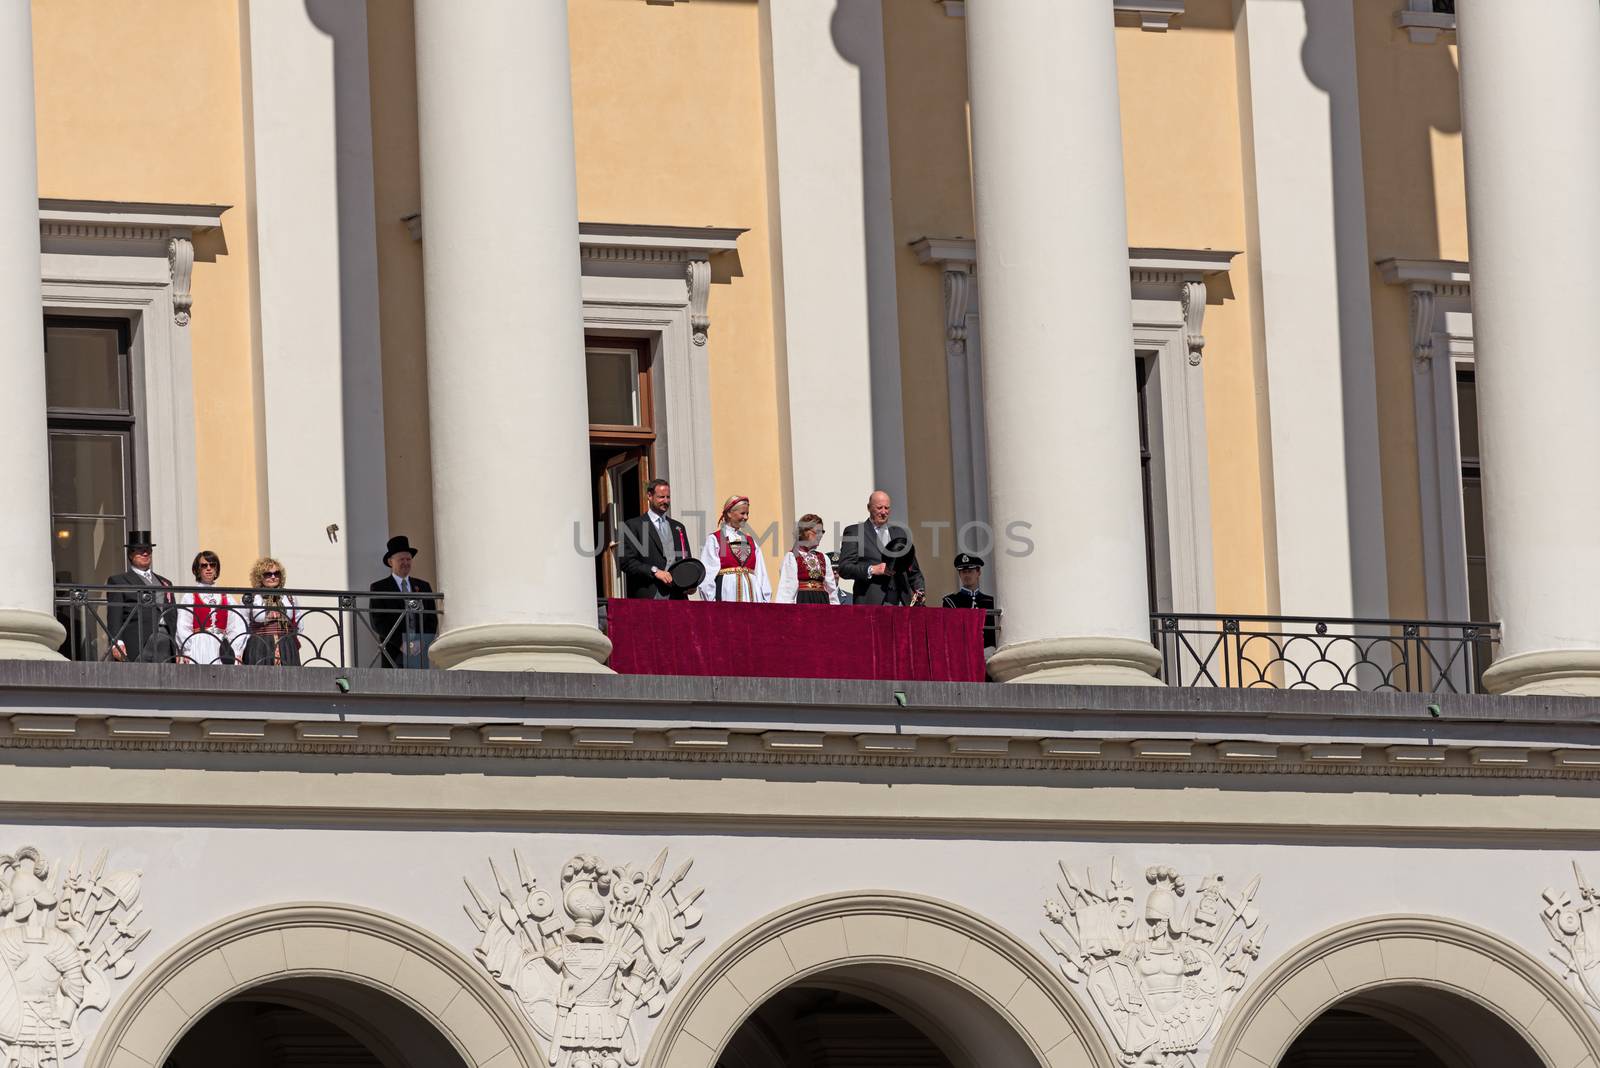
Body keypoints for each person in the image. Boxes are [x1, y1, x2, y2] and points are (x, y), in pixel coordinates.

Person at [837, 491, 925, 606]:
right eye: (879, 508)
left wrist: (920, 590)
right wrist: (872, 569)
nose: (884, 512)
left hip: (901, 601)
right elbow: (844, 568)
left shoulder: (900, 533)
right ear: (869, 508)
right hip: (871, 602)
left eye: (887, 508)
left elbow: (913, 570)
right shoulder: (855, 532)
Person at [105, 530, 177, 662]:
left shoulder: (165, 582)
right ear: (131, 554)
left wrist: (177, 647)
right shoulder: (119, 581)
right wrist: (116, 642)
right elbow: (114, 615)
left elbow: (173, 617)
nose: (145, 553)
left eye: (148, 549)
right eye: (140, 550)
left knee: (166, 680)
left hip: (166, 643)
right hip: (138, 644)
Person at [616, 478, 693, 599]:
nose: (666, 501)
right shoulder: (632, 525)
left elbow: (686, 559)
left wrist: (690, 582)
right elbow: (626, 562)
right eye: (661, 497)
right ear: (650, 496)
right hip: (650, 594)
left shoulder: (678, 527)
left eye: (668, 497)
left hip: (678, 596)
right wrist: (655, 571)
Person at [370, 535, 438, 667]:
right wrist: (401, 643)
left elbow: (432, 620)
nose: (406, 563)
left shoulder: (424, 587)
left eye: (408, 559)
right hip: (393, 652)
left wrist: (422, 642)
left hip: (419, 652)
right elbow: (378, 622)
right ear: (391, 562)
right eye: (401, 559)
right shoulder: (379, 588)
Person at [173, 551, 246, 665]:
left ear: (216, 569)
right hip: (198, 645)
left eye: (212, 565)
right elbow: (183, 626)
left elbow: (236, 626)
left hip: (221, 646)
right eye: (204, 565)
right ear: (197, 569)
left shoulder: (227, 597)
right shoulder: (190, 596)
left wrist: (236, 651)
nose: (208, 568)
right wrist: (187, 650)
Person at [696, 496, 771, 603]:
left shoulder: (751, 541)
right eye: (742, 513)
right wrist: (710, 601)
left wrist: (765, 600)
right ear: (729, 513)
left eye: (747, 514)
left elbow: (761, 573)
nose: (746, 517)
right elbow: (708, 573)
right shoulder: (717, 539)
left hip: (752, 596)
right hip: (727, 593)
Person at [243, 556, 302, 666]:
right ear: (260, 577)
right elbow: (242, 624)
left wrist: (293, 643)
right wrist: (240, 650)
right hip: (259, 645)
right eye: (268, 574)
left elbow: (298, 622)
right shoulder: (252, 597)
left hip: (286, 645)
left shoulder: (289, 597)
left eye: (277, 573)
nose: (273, 577)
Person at [775, 514, 839, 605]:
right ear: (805, 532)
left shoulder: (824, 558)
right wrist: (786, 613)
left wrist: (836, 610)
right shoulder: (793, 556)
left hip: (822, 603)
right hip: (803, 601)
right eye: (817, 531)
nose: (821, 535)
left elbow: (831, 590)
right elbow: (787, 590)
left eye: (822, 532)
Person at [941, 552, 998, 652]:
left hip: (988, 653)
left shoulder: (990, 601)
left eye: (970, 571)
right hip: (962, 653)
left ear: (978, 572)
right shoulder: (951, 601)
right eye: (963, 572)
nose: (966, 575)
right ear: (959, 574)